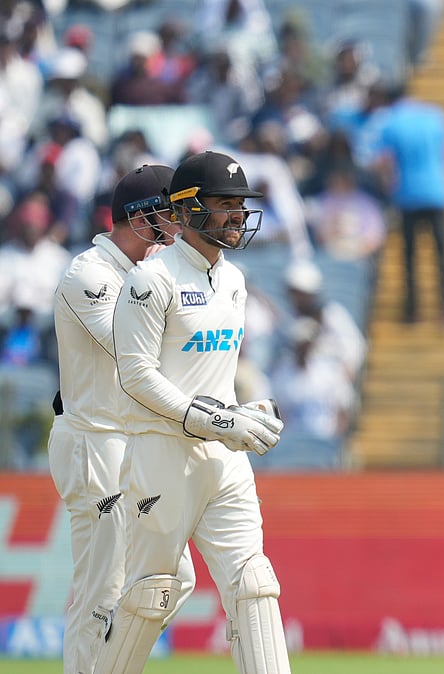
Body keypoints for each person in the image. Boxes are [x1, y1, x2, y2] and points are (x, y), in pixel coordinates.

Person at [96, 151, 289, 674]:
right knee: (151, 594)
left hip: (224, 459)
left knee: (254, 583)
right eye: (223, 203)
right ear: (185, 210)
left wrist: (240, 410)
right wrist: (215, 419)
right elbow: (135, 377)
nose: (236, 215)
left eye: (240, 205)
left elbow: (211, 373)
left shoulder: (233, 282)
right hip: (162, 455)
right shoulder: (148, 281)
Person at [47, 165, 198, 674]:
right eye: (170, 214)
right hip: (95, 442)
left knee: (173, 579)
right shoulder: (89, 273)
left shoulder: (153, 274)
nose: (180, 227)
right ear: (139, 217)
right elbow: (135, 352)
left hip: (135, 445)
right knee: (102, 591)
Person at [367, 80, 444, 324]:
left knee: (410, 256)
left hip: (407, 195)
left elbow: (384, 161)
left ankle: (412, 310)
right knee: (442, 254)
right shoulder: (435, 116)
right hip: (438, 191)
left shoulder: (389, 122)